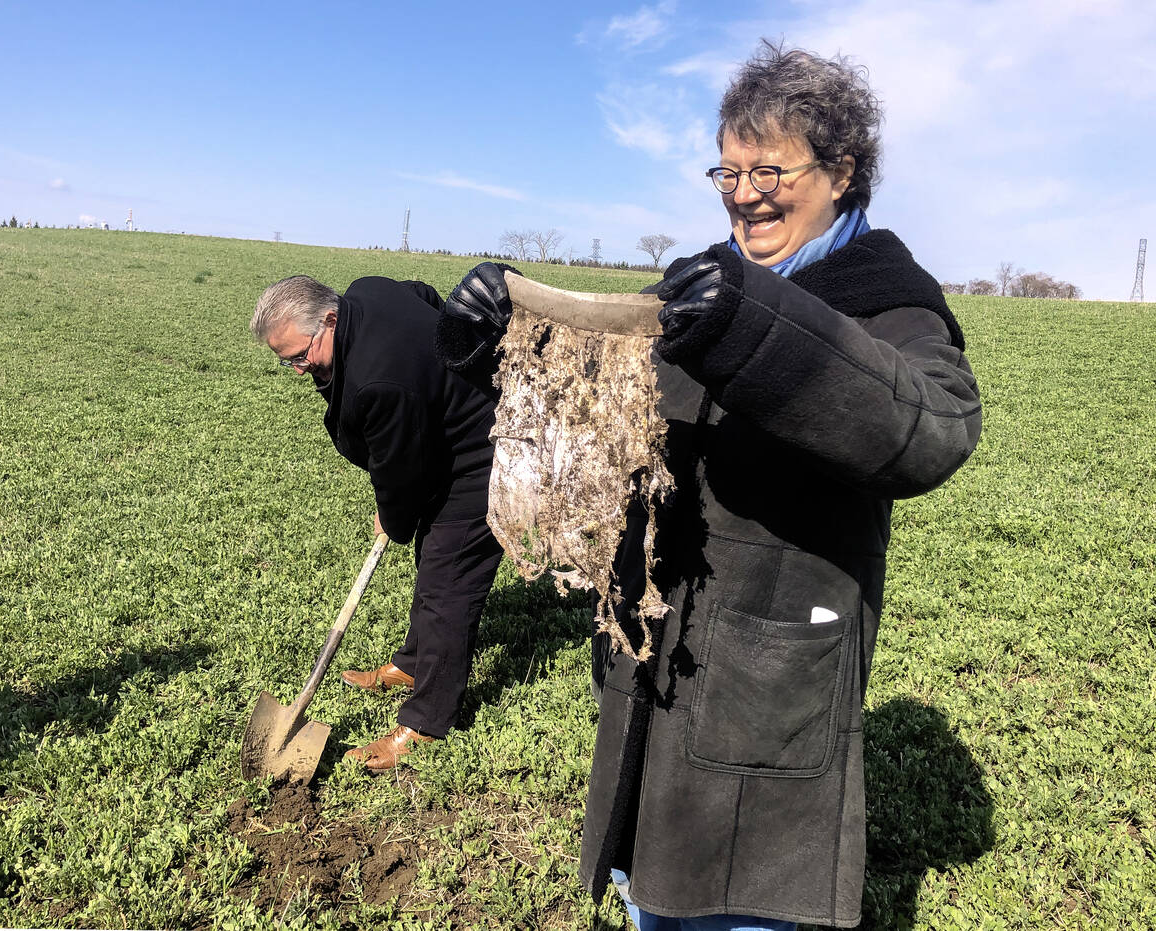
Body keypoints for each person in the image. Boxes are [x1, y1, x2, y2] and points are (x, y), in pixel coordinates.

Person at [440, 41, 981, 930]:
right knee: (652, 884)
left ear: (842, 171)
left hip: (768, 672)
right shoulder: (699, 288)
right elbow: (593, 413)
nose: (743, 191)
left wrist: (753, 329)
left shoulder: (890, 300)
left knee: (741, 898)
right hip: (656, 657)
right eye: (726, 170)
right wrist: (493, 343)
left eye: (768, 168)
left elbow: (932, 431)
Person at [250, 274, 503, 770]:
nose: (299, 371)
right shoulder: (363, 292)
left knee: (448, 583)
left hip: (480, 456)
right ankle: (412, 665)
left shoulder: (378, 380)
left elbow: (400, 471)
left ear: (329, 318)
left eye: (300, 356)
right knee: (432, 561)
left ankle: (426, 722)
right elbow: (426, 296)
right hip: (438, 440)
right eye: (287, 363)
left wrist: (392, 516)